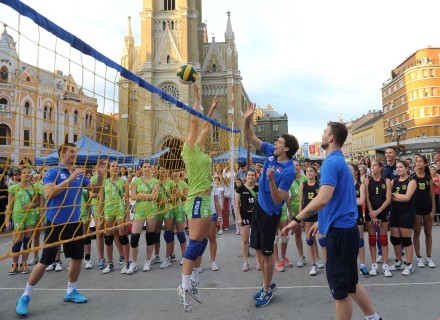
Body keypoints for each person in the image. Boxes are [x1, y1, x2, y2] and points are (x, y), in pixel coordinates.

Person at [281, 122, 382, 320]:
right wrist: (322, 221)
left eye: (324, 132)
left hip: (341, 235)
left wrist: (297, 218)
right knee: (349, 284)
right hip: (345, 230)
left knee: (341, 291)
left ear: (331, 138)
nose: (322, 134)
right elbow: (341, 200)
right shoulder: (339, 162)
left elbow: (323, 198)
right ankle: (374, 317)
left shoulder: (330, 163)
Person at [15, 143, 105, 316]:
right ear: (62, 153)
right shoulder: (53, 172)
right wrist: (70, 179)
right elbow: (49, 193)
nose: (74, 154)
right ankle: (25, 295)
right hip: (56, 223)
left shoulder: (79, 174)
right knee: (45, 261)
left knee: (77, 258)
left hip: (75, 222)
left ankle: (71, 291)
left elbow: (94, 189)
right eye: (72, 151)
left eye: (75, 152)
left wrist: (100, 175)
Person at [244, 103, 298, 308]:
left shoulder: (288, 170)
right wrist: (247, 118)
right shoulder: (270, 153)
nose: (275, 143)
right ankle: (267, 282)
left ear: (286, 149)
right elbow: (249, 137)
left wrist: (272, 180)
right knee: (257, 247)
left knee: (268, 254)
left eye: (279, 142)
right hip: (259, 206)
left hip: (270, 213)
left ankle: (266, 290)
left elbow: (279, 200)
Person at [177, 85, 218, 312]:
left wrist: (210, 110)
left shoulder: (201, 149)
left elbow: (204, 126)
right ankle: (183, 288)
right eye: (192, 135)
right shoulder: (189, 150)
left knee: (202, 242)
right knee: (195, 244)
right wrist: (196, 97)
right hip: (197, 200)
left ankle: (192, 282)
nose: (195, 135)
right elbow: (195, 123)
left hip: (205, 199)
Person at [6, 166, 40, 275]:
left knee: (27, 241)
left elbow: (38, 203)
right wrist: (7, 220)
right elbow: (9, 206)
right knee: (17, 242)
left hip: (30, 216)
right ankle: (14, 264)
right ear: (20, 175)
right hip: (18, 217)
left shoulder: (34, 187)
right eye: (24, 172)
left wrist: (31, 205)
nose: (27, 174)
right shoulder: (13, 188)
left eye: (29, 172)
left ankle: (24, 264)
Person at [97, 161, 130, 274]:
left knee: (122, 236)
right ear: (109, 169)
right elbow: (101, 200)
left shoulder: (124, 182)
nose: (115, 167)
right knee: (108, 237)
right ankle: (110, 264)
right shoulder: (104, 182)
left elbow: (127, 200)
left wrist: (127, 216)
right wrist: (100, 217)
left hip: (120, 209)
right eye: (112, 166)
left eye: (117, 166)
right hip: (108, 210)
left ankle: (126, 262)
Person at [127, 162, 159, 274]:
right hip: (139, 211)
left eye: (149, 166)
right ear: (141, 169)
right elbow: (133, 196)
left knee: (150, 236)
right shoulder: (136, 180)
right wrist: (146, 196)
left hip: (152, 210)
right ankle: (133, 263)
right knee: (134, 237)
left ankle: (147, 261)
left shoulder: (155, 181)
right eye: (145, 166)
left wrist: (141, 195)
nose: (147, 168)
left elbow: (154, 196)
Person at [389, 160, 417, 276]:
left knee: (406, 240)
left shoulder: (412, 181)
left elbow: (407, 198)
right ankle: (399, 260)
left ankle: (409, 264)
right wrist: (398, 197)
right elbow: (388, 198)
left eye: (401, 167)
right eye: (397, 167)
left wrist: (394, 194)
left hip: (407, 212)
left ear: (407, 168)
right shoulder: (393, 181)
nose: (398, 169)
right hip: (395, 212)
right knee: (395, 239)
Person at [364, 160, 392, 277]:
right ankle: (374, 264)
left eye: (375, 165)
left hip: (382, 212)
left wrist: (378, 212)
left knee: (383, 239)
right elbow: (366, 198)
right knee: (372, 239)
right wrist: (372, 212)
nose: (373, 167)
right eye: (371, 166)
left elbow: (388, 199)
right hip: (371, 212)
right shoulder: (367, 180)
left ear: (381, 168)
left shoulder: (386, 181)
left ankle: (385, 264)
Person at [411, 155, 436, 268]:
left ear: (425, 164)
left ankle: (429, 257)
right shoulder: (412, 178)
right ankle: (419, 257)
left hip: (427, 208)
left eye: (421, 161)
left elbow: (432, 195)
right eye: (417, 161)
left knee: (428, 233)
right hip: (416, 209)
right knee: (416, 233)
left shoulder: (428, 178)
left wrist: (433, 210)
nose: (418, 163)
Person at [299, 165, 323, 276]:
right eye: (307, 171)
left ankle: (320, 259)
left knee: (322, 239)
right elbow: (301, 201)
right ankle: (313, 264)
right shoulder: (303, 185)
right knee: (310, 239)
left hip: (318, 214)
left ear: (315, 173)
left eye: (311, 171)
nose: (308, 173)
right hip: (307, 214)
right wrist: (300, 217)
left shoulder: (319, 185)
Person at [235, 169, 258, 272]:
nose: (250, 177)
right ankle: (245, 262)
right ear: (246, 176)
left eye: (252, 175)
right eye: (249, 175)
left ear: (255, 177)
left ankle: (258, 261)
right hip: (244, 216)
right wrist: (239, 218)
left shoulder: (258, 189)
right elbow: (236, 204)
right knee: (244, 240)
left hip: (256, 216)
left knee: (257, 239)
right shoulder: (240, 189)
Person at [349, 163, 368, 277]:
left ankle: (362, 265)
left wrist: (347, 200)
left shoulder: (360, 185)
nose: (348, 171)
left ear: (356, 172)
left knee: (360, 241)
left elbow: (361, 201)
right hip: (346, 215)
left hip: (358, 215)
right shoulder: (344, 184)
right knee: (348, 241)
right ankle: (350, 265)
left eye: (350, 169)